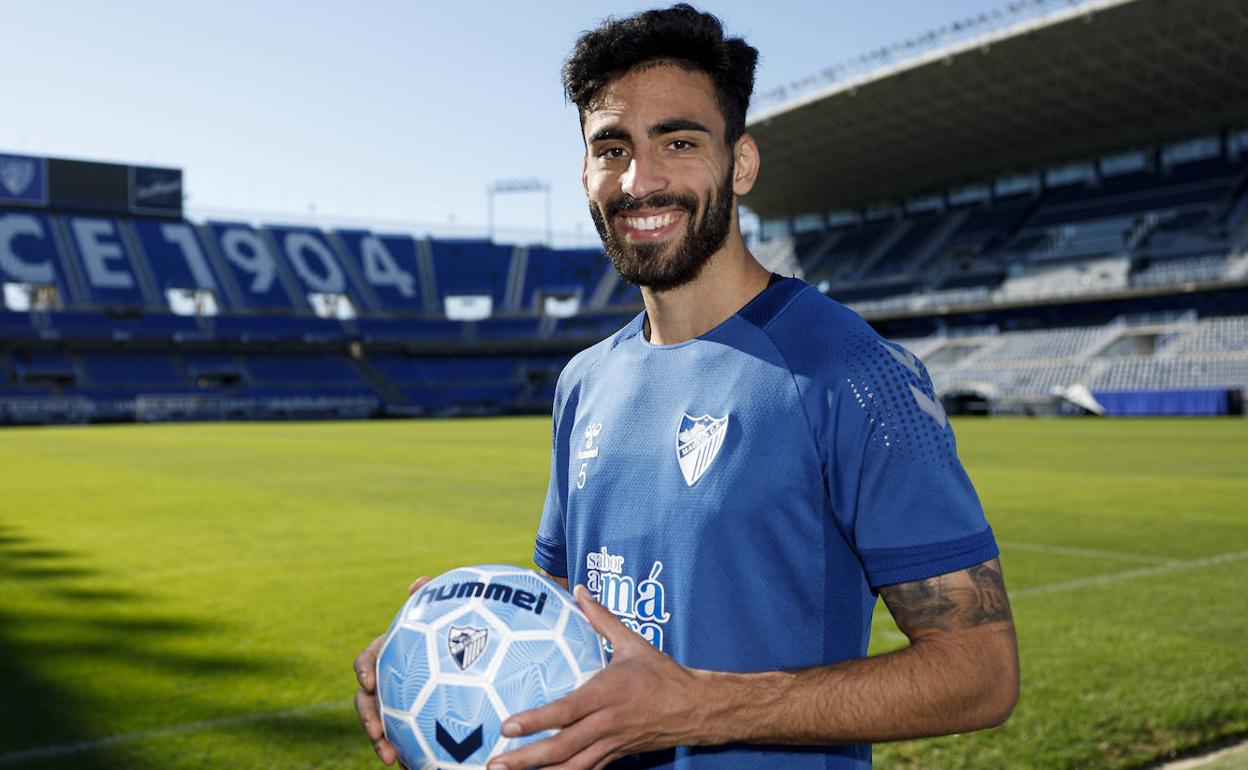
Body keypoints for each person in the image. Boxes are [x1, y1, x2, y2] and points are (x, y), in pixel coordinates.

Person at [355, 5, 1019, 769]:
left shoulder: (852, 372)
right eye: (613, 148)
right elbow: (568, 623)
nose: (641, 180)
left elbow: (982, 673)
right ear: (585, 173)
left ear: (739, 163)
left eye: (678, 141)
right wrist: (443, 648)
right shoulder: (583, 383)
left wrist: (697, 706)